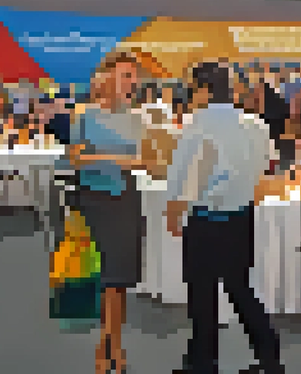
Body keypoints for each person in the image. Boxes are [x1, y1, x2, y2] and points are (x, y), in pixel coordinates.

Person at [166, 62, 281, 374]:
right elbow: (267, 166)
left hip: (206, 220)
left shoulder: (197, 125)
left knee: (202, 294)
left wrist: (173, 213)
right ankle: (269, 357)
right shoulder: (255, 124)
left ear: (202, 89)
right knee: (241, 288)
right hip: (241, 217)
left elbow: (185, 178)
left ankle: (204, 363)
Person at [69, 51, 161, 374]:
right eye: (125, 75)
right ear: (106, 78)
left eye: (133, 76)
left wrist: (147, 161)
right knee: (101, 279)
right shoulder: (84, 113)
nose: (131, 82)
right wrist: (120, 160)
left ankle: (112, 345)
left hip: (125, 198)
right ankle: (107, 345)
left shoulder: (137, 117)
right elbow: (77, 159)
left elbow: (148, 161)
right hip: (93, 199)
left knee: (119, 280)